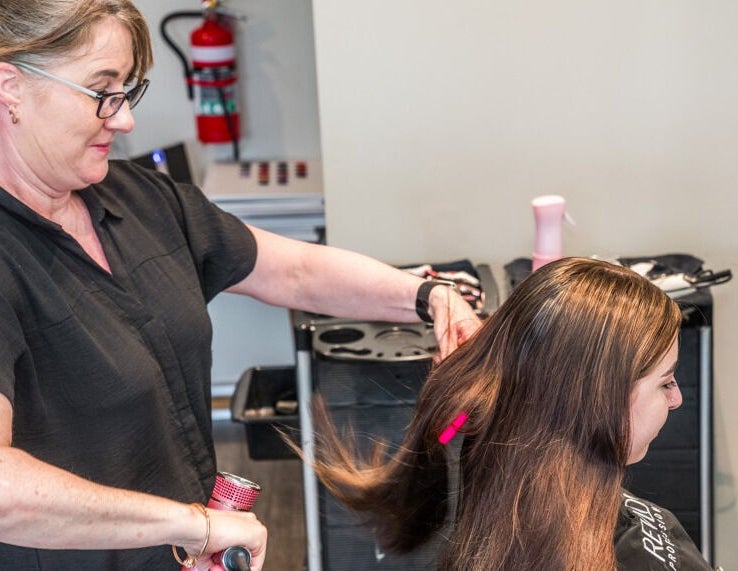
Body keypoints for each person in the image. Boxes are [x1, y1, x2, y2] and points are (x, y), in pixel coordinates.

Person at [0, 1, 482, 569]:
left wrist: (427, 298)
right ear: (10, 87)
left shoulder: (140, 199)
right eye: (101, 90)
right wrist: (191, 524)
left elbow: (293, 269)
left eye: (128, 91)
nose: (124, 118)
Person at [309, 257, 717, 570]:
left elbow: (452, 424)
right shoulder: (620, 551)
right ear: (600, 400)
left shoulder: (466, 447)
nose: (677, 398)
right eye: (666, 382)